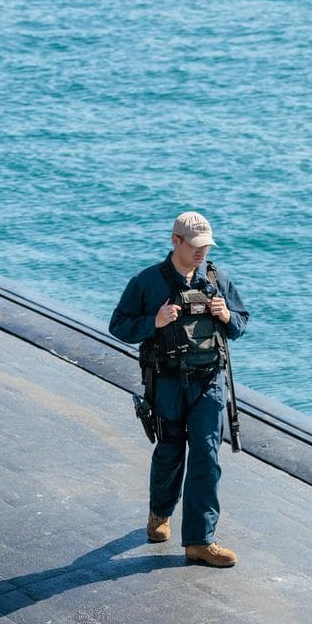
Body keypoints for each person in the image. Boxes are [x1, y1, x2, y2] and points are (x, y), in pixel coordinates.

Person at [109, 211, 249, 568]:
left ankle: (200, 541)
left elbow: (241, 322)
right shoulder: (147, 282)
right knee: (169, 453)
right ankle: (160, 512)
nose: (202, 252)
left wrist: (227, 316)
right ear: (176, 242)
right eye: (196, 245)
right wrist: (152, 323)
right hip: (168, 384)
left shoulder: (217, 279)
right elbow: (119, 325)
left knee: (206, 456)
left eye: (207, 246)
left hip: (209, 384)